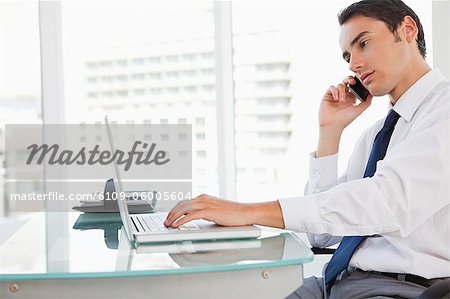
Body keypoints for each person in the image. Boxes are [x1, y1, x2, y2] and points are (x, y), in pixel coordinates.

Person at [164, 0, 450, 298]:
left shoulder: (443, 110)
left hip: (400, 288)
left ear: (406, 30)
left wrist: (247, 211)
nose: (354, 64)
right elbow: (321, 234)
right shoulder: (377, 134)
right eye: (348, 56)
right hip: (336, 282)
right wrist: (330, 132)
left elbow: (386, 202)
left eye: (363, 43)